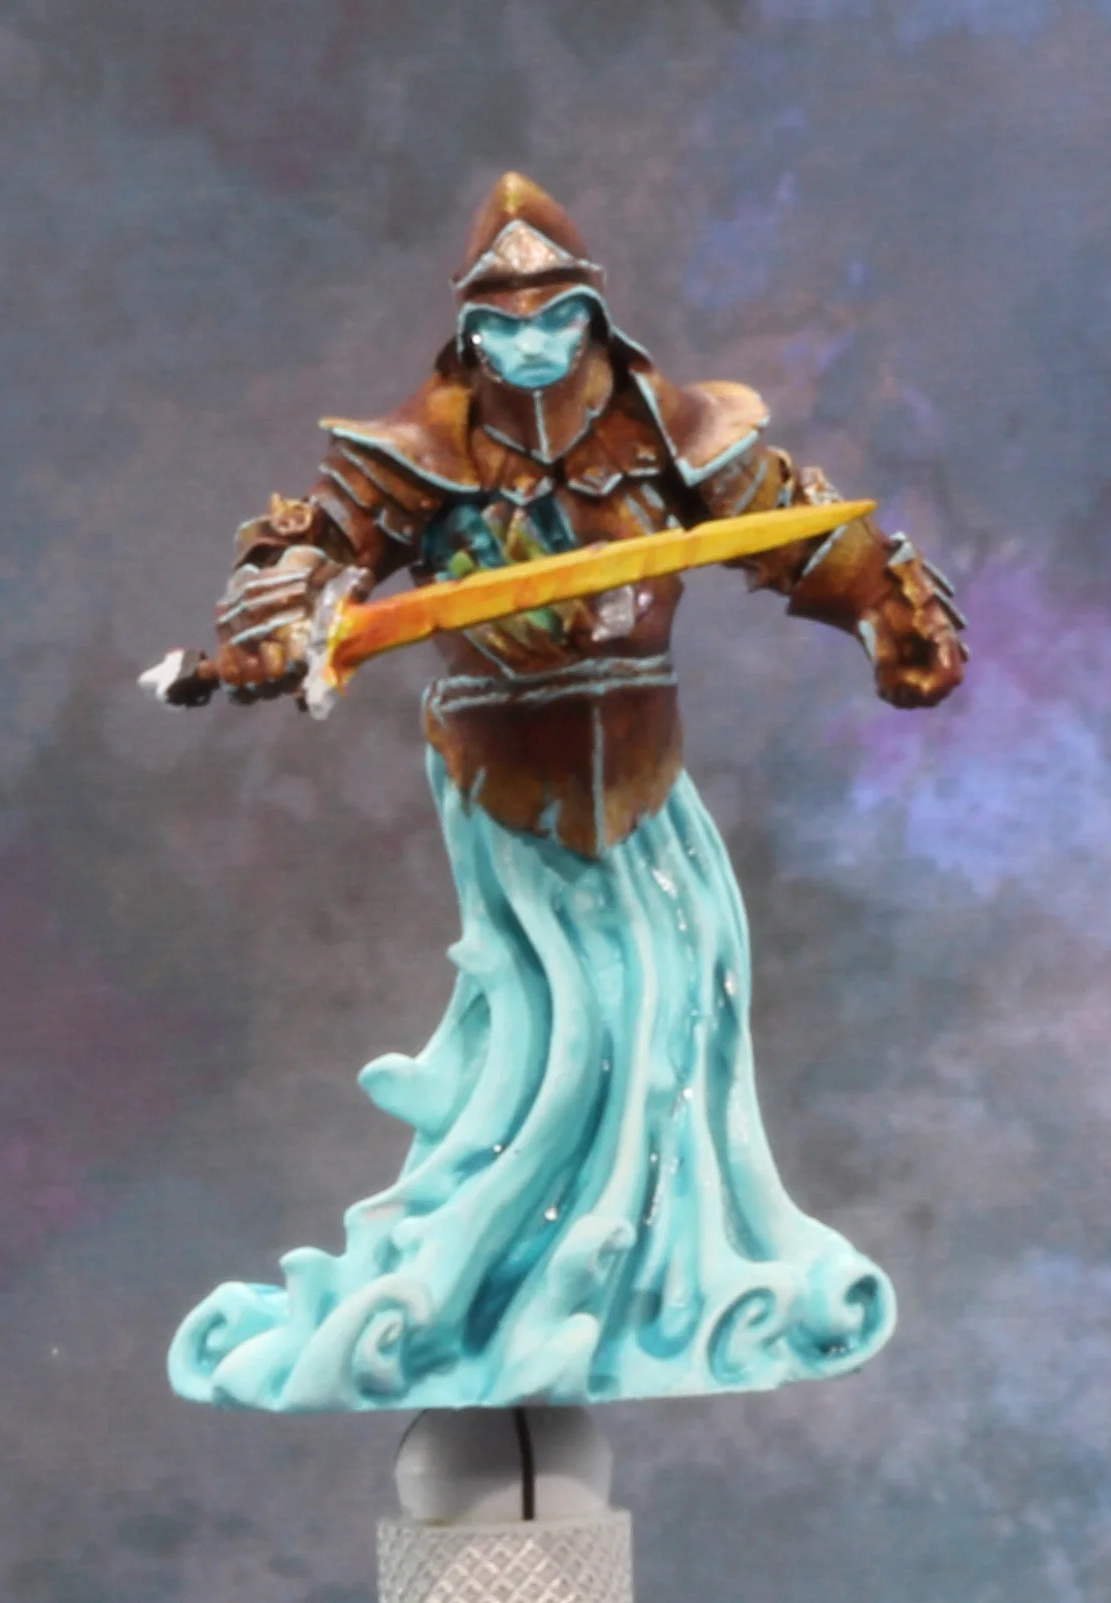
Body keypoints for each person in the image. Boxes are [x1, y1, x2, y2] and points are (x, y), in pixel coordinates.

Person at [159, 172, 965, 1413]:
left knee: (688, 992)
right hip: (503, 768)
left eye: (556, 320)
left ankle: (669, 1263)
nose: (531, 345)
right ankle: (493, 1268)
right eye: (503, 324)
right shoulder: (419, 448)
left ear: (594, 316)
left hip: (644, 759)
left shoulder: (658, 424)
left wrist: (887, 610)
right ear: (469, 329)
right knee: (554, 1023)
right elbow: (315, 542)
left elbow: (786, 520)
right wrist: (276, 623)